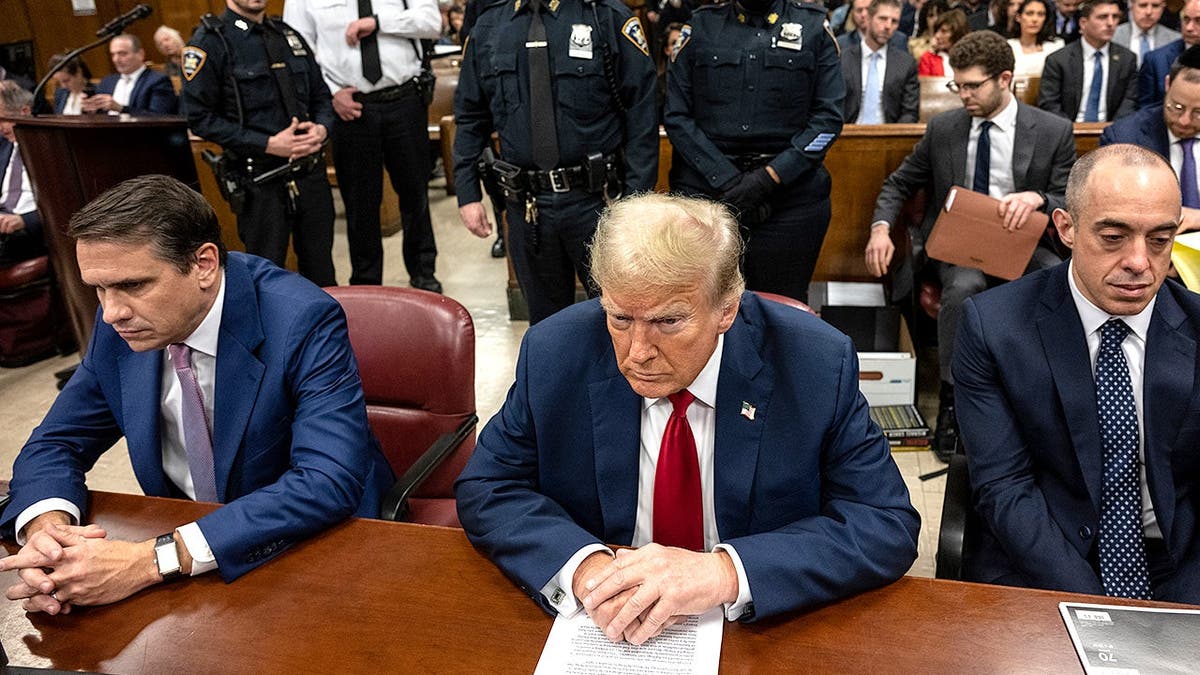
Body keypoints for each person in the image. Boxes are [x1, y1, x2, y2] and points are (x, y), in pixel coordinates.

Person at [455, 192, 920, 643]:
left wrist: (724, 572)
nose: (637, 353)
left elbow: (884, 522)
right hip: (602, 628)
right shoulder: (556, 352)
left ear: (726, 310)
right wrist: (586, 568)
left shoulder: (814, 362)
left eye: (667, 322)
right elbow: (488, 486)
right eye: (619, 318)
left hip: (757, 633)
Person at [0, 175, 393, 615]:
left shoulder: (303, 319)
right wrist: (49, 534)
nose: (111, 313)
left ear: (204, 264)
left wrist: (154, 559)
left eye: (132, 286)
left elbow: (326, 481)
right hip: (190, 553)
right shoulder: (120, 328)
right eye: (99, 288)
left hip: (309, 543)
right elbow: (57, 441)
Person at [954, 144, 1200, 604]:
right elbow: (1006, 488)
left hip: (1179, 562)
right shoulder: (995, 326)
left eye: (1160, 239)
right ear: (1066, 228)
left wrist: (1180, 609)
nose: (1140, 262)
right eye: (1113, 237)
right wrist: (1103, 610)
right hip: (1043, 561)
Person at [864, 30, 1075, 462]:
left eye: (972, 85)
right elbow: (899, 182)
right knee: (963, 287)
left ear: (1005, 79)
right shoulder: (945, 128)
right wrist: (881, 227)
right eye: (956, 85)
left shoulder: (1052, 130)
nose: (963, 95)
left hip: (1024, 239)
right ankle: (953, 399)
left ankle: (1048, 397)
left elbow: (1071, 197)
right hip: (961, 242)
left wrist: (1039, 199)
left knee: (1057, 279)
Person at [452, 0, 659, 324]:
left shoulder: (605, 16)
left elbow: (642, 113)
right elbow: (470, 117)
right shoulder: (490, 26)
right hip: (528, 207)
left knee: (621, 318)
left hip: (599, 203)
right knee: (547, 326)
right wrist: (467, 193)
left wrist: (635, 203)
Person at [665, 0, 844, 303]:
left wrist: (769, 178)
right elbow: (676, 116)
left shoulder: (814, 28)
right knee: (699, 304)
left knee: (780, 311)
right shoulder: (699, 26)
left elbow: (828, 121)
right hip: (708, 194)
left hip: (789, 199)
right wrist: (726, 180)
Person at [285, 0, 444, 291]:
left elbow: (432, 23)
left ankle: (423, 273)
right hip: (350, 107)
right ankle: (367, 282)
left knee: (415, 193)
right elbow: (298, 52)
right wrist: (332, 95)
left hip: (405, 98)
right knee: (360, 203)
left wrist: (379, 22)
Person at [182, 0, 338, 287]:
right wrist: (266, 143)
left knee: (322, 271)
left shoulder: (286, 35)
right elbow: (199, 117)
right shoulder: (210, 42)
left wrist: (321, 129)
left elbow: (321, 96)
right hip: (259, 180)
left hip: (309, 173)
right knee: (266, 277)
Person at [1101, 44, 1200, 232]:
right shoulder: (1125, 138)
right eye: (1176, 107)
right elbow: (1113, 209)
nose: (1184, 121)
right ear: (1168, 84)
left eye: (1198, 113)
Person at [1038, 0, 1137, 123]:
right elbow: (1049, 104)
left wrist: (1114, 130)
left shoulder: (1127, 59)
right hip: (1068, 130)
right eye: (1102, 17)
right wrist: (1068, 131)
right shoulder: (1058, 60)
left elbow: (1129, 102)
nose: (1111, 23)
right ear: (1083, 23)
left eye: (1115, 17)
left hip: (1112, 131)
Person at [842, 0, 921, 124]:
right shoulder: (843, 59)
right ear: (868, 18)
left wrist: (894, 139)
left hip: (890, 136)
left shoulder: (906, 64)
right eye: (883, 18)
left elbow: (910, 113)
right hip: (848, 135)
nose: (888, 26)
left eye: (894, 21)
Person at [0, 82, 44, 267]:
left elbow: (66, 204)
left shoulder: (47, 150)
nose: (0, 128)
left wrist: (24, 220)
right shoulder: (5, 147)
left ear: (24, 111)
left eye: (3, 119)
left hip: (29, 232)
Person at [84, 34, 178, 116]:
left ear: (140, 54)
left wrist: (121, 109)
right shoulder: (107, 82)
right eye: (113, 55)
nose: (116, 59)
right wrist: (91, 110)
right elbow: (100, 116)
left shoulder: (158, 81)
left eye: (122, 54)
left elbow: (160, 117)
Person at [1137, 0, 1200, 108]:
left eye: (1198, 21)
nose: (1189, 28)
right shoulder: (1156, 60)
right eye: (1186, 19)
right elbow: (1145, 111)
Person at [1007, 0, 1065, 79]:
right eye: (1029, 14)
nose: (1035, 19)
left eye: (1040, 14)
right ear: (1018, 17)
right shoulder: (1009, 46)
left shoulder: (1056, 46)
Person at [1113, 0, 1180, 68]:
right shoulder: (1113, 36)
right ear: (1131, 6)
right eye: (1143, 5)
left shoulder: (1176, 40)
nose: (1149, 12)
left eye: (1155, 6)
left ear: (1163, 7)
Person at [839, 0, 910, 50]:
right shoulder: (842, 43)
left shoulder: (899, 40)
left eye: (867, 9)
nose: (864, 14)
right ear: (852, 14)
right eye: (859, 10)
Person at [918, 8, 969, 76]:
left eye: (944, 31)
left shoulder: (971, 59)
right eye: (936, 31)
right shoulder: (928, 59)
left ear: (957, 33)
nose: (937, 36)